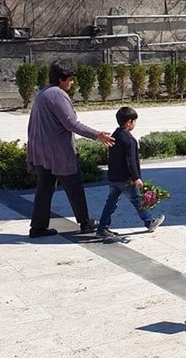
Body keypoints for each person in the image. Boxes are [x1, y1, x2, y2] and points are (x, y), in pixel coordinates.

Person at [26, 60, 115, 238]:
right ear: (61, 79)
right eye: (70, 80)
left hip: (41, 151)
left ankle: (38, 227)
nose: (72, 83)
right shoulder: (58, 95)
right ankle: (85, 223)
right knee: (74, 186)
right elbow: (71, 123)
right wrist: (97, 134)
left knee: (44, 189)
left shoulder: (43, 94)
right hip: (57, 152)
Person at [97, 106, 165, 238]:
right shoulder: (129, 139)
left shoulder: (114, 136)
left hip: (113, 177)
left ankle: (102, 228)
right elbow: (131, 161)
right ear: (129, 122)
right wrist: (136, 178)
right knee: (137, 200)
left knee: (111, 202)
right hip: (125, 179)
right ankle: (149, 222)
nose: (135, 124)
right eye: (134, 121)